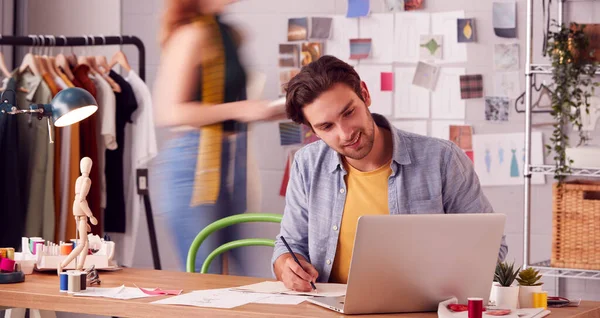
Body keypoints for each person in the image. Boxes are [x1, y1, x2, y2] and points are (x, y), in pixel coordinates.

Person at [271, 55, 508, 291]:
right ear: (312, 130)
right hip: (328, 308)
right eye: (326, 126)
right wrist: (289, 267)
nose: (345, 134)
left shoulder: (442, 159)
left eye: (349, 113)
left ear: (365, 94)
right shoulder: (306, 164)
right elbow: (288, 246)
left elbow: (492, 248)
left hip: (422, 308)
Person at [153, 0, 283, 272]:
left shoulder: (226, 33)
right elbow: (168, 111)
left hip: (229, 161)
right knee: (205, 274)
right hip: (194, 166)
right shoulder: (192, 34)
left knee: (241, 276)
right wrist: (242, 110)